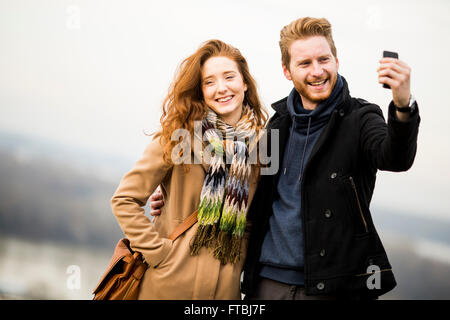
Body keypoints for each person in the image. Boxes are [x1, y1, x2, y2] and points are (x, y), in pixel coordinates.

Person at [151, 17, 420, 300]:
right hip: (265, 284)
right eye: (304, 63)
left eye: (323, 60)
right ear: (287, 71)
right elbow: (242, 186)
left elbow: (395, 157)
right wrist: (174, 194)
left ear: (337, 61)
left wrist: (403, 105)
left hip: (334, 288)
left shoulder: (361, 119)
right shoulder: (277, 127)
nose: (317, 71)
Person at [111, 39, 267, 299]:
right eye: (209, 82)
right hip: (168, 285)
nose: (221, 88)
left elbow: (255, 217)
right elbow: (124, 200)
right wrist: (160, 254)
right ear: (200, 90)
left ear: (245, 83)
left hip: (224, 291)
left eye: (229, 77)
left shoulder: (261, 148)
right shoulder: (176, 137)